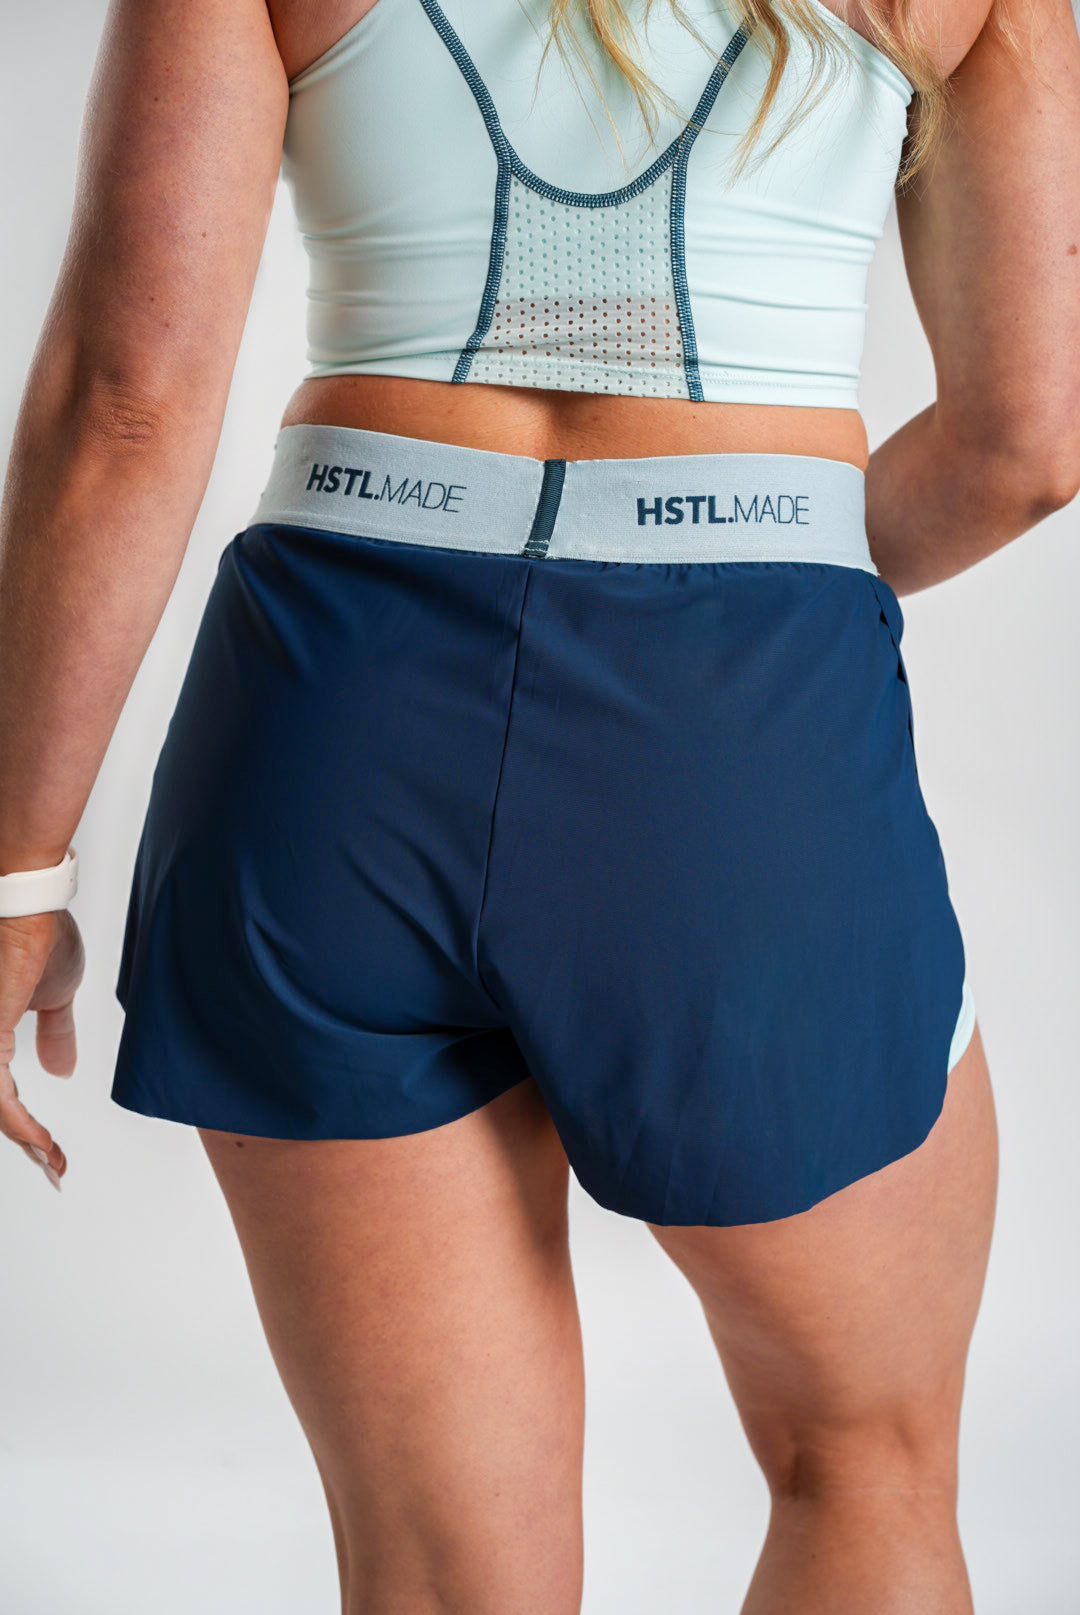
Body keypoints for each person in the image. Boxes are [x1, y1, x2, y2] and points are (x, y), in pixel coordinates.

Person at [1, 0, 1077, 1609]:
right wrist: (754, 594)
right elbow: (1027, 443)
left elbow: (128, 399)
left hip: (329, 728)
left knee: (441, 1574)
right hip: (732, 736)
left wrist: (17, 872)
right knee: (862, 1465)